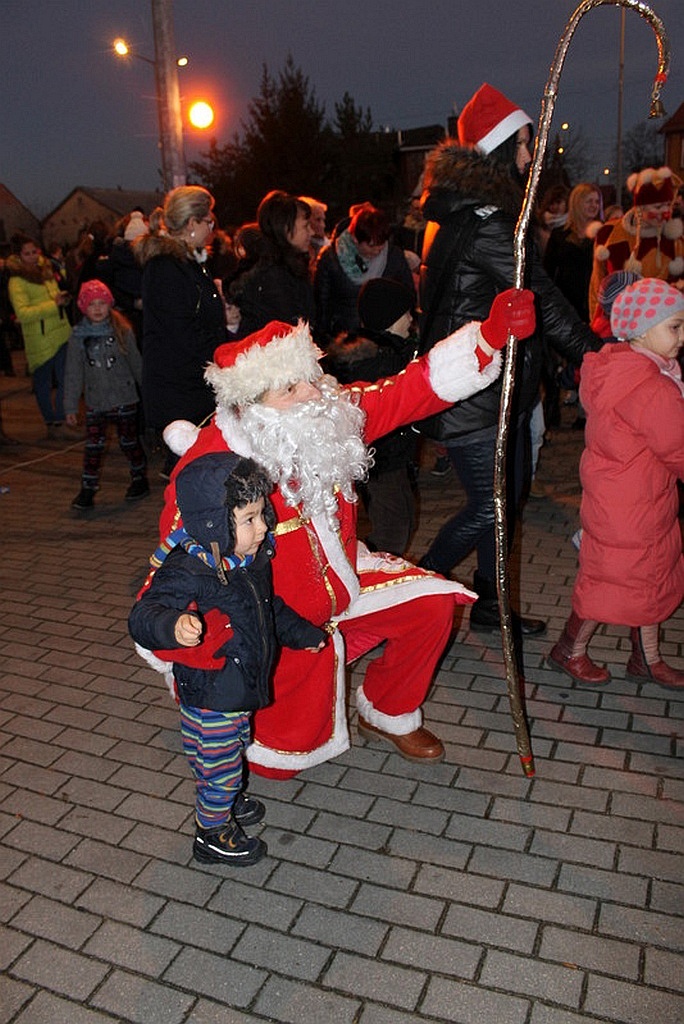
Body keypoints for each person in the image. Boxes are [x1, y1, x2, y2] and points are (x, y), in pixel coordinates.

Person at [151, 290, 536, 779]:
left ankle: (387, 711)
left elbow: (410, 389)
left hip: (344, 581)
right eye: (290, 389)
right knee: (277, 767)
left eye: (311, 378)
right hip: (275, 626)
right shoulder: (210, 469)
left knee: (433, 606)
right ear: (250, 405)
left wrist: (488, 337)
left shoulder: (330, 416)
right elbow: (174, 571)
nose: (312, 395)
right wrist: (185, 641)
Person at [417, 83, 600, 635]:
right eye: (521, 144)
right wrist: (599, 355)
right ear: (497, 151)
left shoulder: (472, 215)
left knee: (506, 502)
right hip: (476, 394)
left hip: (500, 388)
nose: (529, 155)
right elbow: (544, 299)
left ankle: (490, 605)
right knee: (490, 507)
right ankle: (413, 588)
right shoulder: (485, 222)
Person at [129, 453, 327, 866]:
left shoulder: (248, 561)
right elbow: (145, 613)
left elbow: (269, 609)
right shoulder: (189, 568)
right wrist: (172, 625)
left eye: (261, 514)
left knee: (230, 751)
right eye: (249, 519)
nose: (263, 527)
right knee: (218, 764)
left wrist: (303, 634)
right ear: (213, 524)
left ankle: (225, 798)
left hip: (236, 685)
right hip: (211, 690)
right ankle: (212, 831)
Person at [547, 279, 684, 689]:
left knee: (645, 576)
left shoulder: (622, 368)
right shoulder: (650, 387)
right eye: (674, 327)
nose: (682, 337)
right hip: (632, 505)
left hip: (627, 498)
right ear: (642, 330)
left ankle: (647, 657)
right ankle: (568, 650)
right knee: (612, 581)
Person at [324, 277, 419, 556]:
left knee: (402, 519)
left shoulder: (381, 353)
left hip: (389, 456)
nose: (411, 319)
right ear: (390, 320)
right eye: (406, 314)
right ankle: (368, 573)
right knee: (393, 530)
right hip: (382, 459)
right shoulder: (382, 361)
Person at [136, 185, 226, 477]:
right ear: (191, 223)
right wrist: (221, 356)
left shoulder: (190, 263)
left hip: (195, 384)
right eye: (208, 221)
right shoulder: (165, 268)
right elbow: (180, 333)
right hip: (181, 390)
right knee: (191, 476)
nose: (212, 229)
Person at [64, 280, 148, 510]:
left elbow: (136, 363)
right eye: (92, 304)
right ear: (84, 307)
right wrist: (70, 406)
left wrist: (148, 392)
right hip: (96, 401)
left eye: (102, 303)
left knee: (129, 442)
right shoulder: (78, 336)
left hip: (124, 397)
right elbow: (73, 373)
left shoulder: (122, 330)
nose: (98, 309)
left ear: (109, 304)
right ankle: (88, 489)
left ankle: (139, 478)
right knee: (93, 446)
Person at [589, 165, 684, 320]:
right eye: (658, 207)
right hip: (616, 323)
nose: (665, 213)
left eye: (668, 206)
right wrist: (596, 323)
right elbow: (597, 286)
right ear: (640, 207)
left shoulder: (676, 242)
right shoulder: (610, 234)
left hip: (660, 325)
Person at [314, 203, 414, 343]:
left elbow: (407, 293)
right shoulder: (331, 259)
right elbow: (322, 303)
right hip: (345, 338)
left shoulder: (393, 257)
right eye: (371, 245)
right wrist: (324, 337)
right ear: (355, 239)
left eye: (382, 244)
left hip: (385, 337)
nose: (378, 250)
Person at [6, 233, 72, 440]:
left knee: (66, 379)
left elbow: (53, 297)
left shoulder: (46, 271)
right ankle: (52, 423)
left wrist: (62, 299)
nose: (33, 256)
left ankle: (62, 420)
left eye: (34, 251)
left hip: (61, 332)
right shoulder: (17, 281)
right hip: (40, 338)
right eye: (27, 253)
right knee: (44, 384)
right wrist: (53, 305)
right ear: (18, 256)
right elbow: (23, 313)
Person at [233, 191, 315, 337]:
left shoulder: (291, 266)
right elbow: (288, 331)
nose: (312, 232)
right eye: (306, 226)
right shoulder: (272, 276)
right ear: (285, 228)